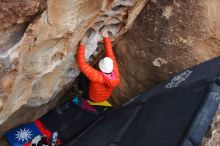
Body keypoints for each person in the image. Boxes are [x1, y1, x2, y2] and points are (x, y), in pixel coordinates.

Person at [77, 26, 120, 102]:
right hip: (105, 97)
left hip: (92, 97)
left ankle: (81, 92)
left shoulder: (97, 76)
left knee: (83, 75)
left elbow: (82, 64)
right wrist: (106, 36)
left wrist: (82, 43)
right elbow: (110, 53)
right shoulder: (115, 72)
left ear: (101, 68)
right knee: (90, 72)